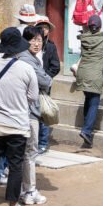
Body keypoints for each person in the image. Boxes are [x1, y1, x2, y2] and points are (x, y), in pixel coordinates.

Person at [0, 27, 38, 206]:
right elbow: (33, 97)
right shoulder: (27, 69)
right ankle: (13, 204)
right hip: (17, 124)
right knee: (15, 165)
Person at [17, 24, 51, 206]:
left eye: (39, 40)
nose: (37, 43)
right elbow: (45, 80)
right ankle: (29, 190)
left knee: (24, 152)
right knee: (30, 151)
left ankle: (25, 189)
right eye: (33, 40)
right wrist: (46, 79)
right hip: (28, 112)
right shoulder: (27, 60)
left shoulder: (28, 57)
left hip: (22, 111)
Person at [74, 15, 103, 148]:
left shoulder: (84, 39)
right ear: (100, 26)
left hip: (83, 73)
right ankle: (87, 131)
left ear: (88, 26)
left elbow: (83, 54)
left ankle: (86, 126)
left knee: (88, 99)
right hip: (95, 74)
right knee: (94, 103)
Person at [35, 17, 61, 154]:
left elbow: (55, 66)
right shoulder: (30, 45)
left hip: (44, 86)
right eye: (40, 27)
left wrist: (45, 77)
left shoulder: (50, 46)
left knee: (43, 113)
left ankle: (43, 143)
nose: (43, 30)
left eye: (45, 28)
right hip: (30, 84)